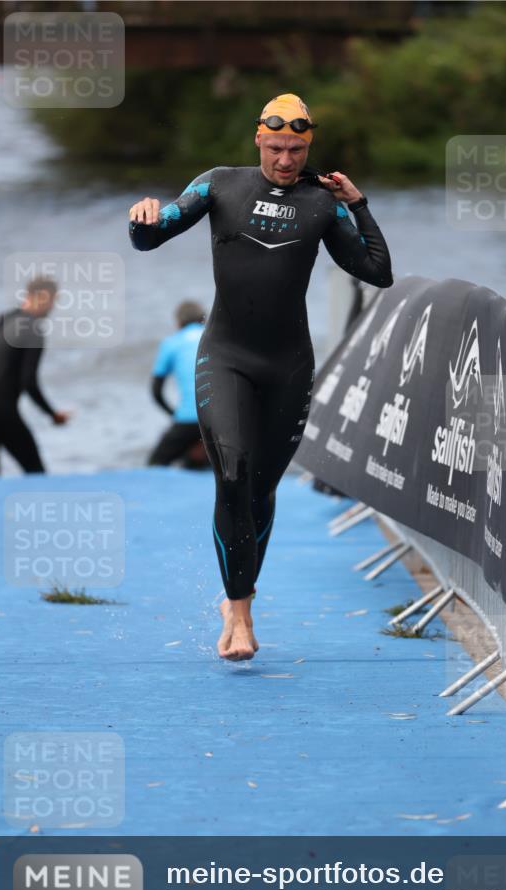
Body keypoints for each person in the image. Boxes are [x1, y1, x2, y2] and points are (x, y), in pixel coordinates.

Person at [128, 93, 392, 661]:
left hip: (288, 364)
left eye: (296, 148)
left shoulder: (323, 204)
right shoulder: (219, 185)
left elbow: (378, 270)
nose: (286, 159)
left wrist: (360, 203)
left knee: (261, 491)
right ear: (258, 140)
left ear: (308, 145)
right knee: (233, 474)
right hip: (226, 355)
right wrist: (144, 216)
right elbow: (152, 237)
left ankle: (236, 599)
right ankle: (241, 614)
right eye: (276, 147)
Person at [0, 277, 70, 479]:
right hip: (2, 413)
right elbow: (29, 382)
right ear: (43, 297)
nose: (52, 308)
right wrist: (52, 414)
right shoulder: (33, 328)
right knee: (37, 474)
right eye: (53, 301)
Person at [148, 300, 209, 469]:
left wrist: (174, 414)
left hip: (187, 419)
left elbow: (156, 390)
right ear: (204, 319)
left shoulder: (171, 343)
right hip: (218, 420)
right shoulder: (214, 337)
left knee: (155, 464)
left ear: (178, 322)